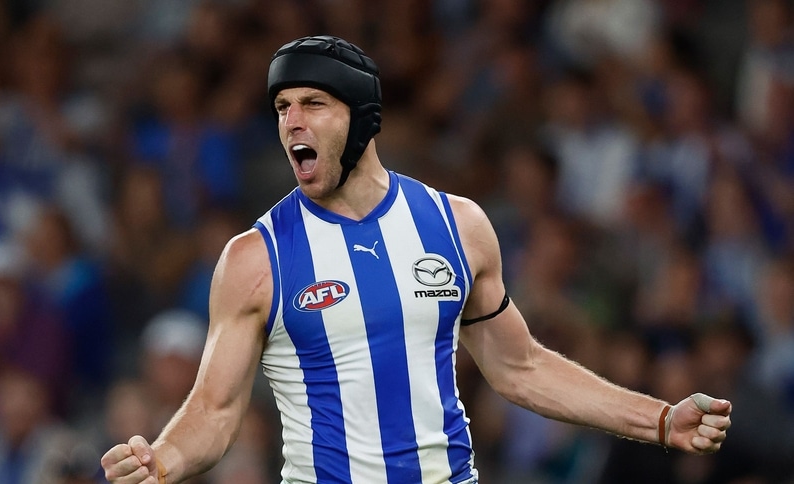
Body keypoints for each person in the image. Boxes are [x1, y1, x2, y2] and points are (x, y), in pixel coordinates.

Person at [101, 35, 732, 484]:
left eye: (312, 104)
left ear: (364, 117)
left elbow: (520, 368)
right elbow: (214, 411)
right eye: (281, 108)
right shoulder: (255, 258)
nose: (291, 121)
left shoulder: (457, 226)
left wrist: (658, 418)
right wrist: (161, 463)